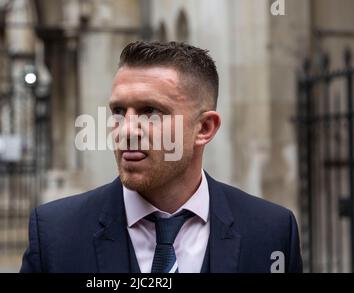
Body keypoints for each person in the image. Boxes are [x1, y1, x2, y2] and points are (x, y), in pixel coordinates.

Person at [20, 41, 302, 273]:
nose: (126, 129)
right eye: (118, 111)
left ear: (204, 128)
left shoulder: (271, 233)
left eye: (151, 112)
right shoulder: (56, 235)